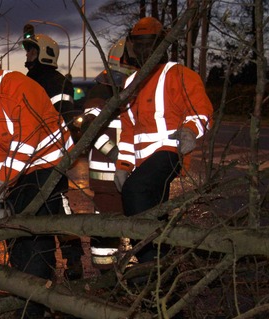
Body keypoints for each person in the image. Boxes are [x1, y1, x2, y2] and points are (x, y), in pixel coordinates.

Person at [0, 37, 74, 319]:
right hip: (19, 168)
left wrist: (2, 183)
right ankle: (25, 290)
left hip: (49, 162)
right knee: (14, 227)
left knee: (32, 227)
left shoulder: (19, 86)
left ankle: (35, 302)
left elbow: (27, 139)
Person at [114, 17, 213, 264]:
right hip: (144, 162)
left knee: (134, 192)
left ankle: (150, 263)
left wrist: (190, 131)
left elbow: (201, 111)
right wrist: (123, 166)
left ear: (163, 45)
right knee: (151, 212)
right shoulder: (130, 83)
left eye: (150, 44)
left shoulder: (179, 75)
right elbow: (128, 132)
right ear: (132, 47)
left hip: (170, 153)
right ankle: (161, 270)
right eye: (140, 44)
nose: (145, 50)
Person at [22, 32, 84, 280]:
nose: (27, 55)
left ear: (43, 53)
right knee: (55, 208)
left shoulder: (53, 82)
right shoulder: (32, 80)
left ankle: (70, 259)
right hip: (34, 157)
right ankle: (63, 260)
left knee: (57, 206)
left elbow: (63, 117)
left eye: (31, 50)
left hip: (48, 157)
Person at [80, 37, 136, 270]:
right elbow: (91, 129)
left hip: (129, 175)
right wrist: (116, 155)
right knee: (106, 230)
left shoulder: (128, 91)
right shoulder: (101, 93)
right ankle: (106, 278)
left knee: (134, 225)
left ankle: (136, 276)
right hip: (108, 178)